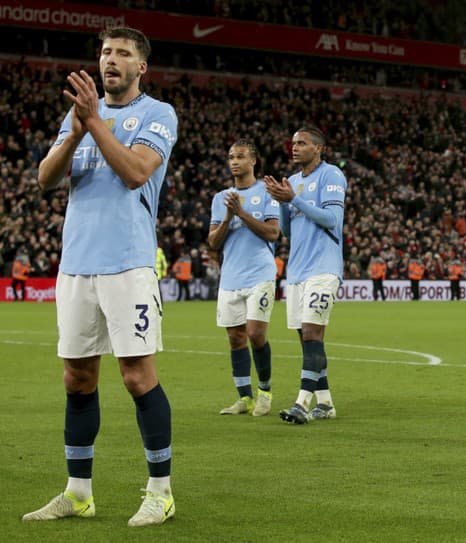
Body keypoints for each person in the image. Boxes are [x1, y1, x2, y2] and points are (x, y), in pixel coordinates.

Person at [24, 27, 178, 526]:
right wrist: (76, 129)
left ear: (141, 68)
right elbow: (46, 179)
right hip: (76, 265)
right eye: (106, 52)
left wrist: (96, 123)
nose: (111, 60)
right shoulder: (79, 118)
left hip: (129, 264)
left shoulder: (157, 114)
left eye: (123, 54)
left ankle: (160, 491)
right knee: (77, 378)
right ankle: (78, 492)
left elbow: (136, 172)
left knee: (137, 377)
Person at [265, 125, 347, 424]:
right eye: (293, 143)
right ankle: (325, 403)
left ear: (318, 148)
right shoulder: (294, 181)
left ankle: (302, 403)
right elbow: (287, 230)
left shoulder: (332, 175)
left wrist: (294, 200)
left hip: (323, 268)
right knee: (307, 339)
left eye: (301, 143)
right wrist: (281, 201)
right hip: (297, 270)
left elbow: (332, 219)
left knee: (313, 333)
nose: (294, 147)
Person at [208, 140, 280, 417]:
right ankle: (244, 398)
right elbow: (213, 242)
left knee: (255, 333)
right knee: (235, 338)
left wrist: (242, 213)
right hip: (230, 277)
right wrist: (228, 216)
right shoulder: (221, 198)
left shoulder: (266, 192)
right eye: (230, 157)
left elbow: (273, 233)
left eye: (240, 157)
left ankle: (265, 391)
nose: (234, 161)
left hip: (260, 273)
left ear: (253, 161)